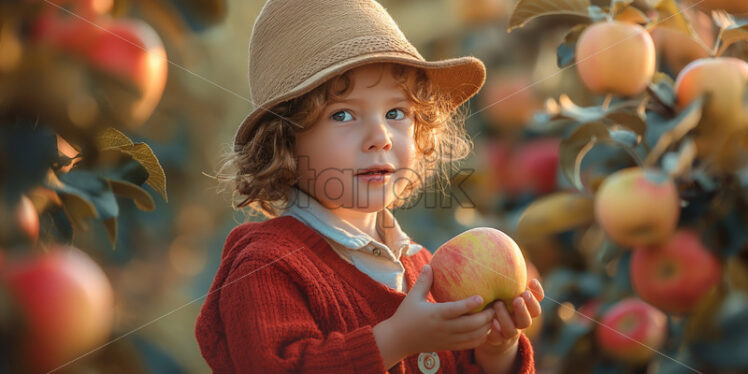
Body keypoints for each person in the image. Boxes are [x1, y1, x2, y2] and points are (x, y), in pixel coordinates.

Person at [195, 0, 544, 373]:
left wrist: (495, 352)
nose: (380, 137)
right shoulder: (266, 266)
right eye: (342, 114)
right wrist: (396, 340)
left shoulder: (423, 266)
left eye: (396, 113)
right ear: (285, 142)